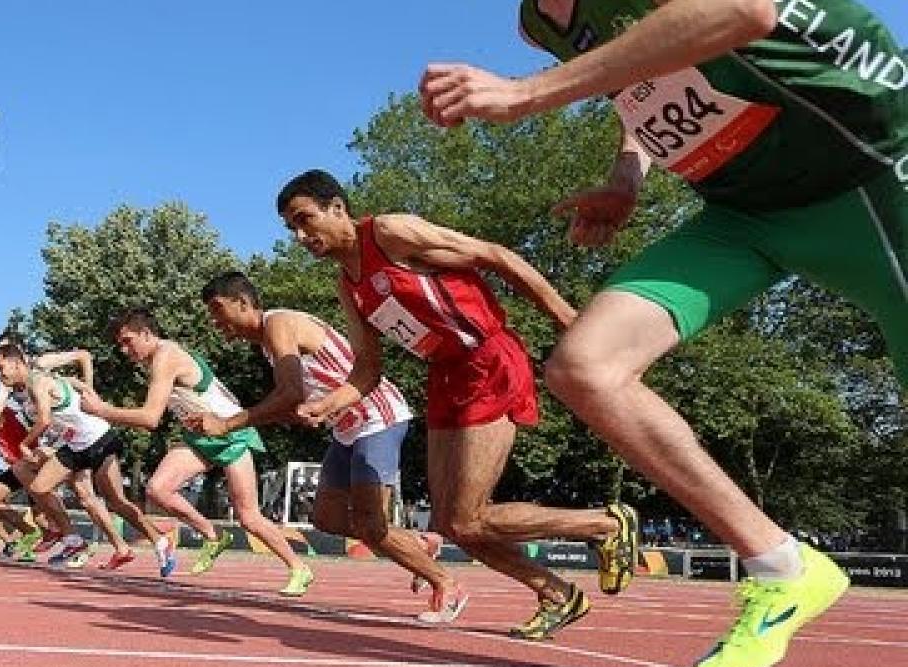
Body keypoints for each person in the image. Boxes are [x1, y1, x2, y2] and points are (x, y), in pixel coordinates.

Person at [416, 1, 903, 667]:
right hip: (744, 213)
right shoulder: (541, 22)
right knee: (585, 366)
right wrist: (626, 179)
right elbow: (639, 83)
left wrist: (526, 94)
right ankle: (783, 567)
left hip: (872, 173)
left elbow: (743, 10)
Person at [275, 169, 637, 636]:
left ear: (337, 208)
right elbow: (366, 369)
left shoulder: (389, 232)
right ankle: (557, 594)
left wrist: (571, 320)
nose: (302, 236)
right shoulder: (349, 286)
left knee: (468, 517)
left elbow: (498, 256)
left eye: (305, 220)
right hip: (445, 378)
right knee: (451, 523)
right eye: (292, 229)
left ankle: (604, 526)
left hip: (487, 360)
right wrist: (330, 404)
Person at [194, 271, 461, 621]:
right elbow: (293, 404)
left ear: (243, 303)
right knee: (327, 518)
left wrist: (227, 424)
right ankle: (417, 543)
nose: (216, 321)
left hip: (377, 417)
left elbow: (289, 394)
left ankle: (447, 585)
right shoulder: (269, 344)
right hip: (346, 429)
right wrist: (302, 414)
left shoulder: (278, 324)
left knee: (370, 525)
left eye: (218, 309)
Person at [75, 308, 315, 597]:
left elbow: (151, 418)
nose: (125, 350)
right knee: (158, 489)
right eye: (121, 345)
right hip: (199, 438)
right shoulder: (154, 361)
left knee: (249, 517)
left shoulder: (167, 355)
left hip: (230, 435)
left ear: (147, 333)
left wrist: (102, 411)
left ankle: (298, 567)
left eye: (128, 341)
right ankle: (214, 536)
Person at [0, 343, 176, 574]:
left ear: (17, 362)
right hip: (74, 446)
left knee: (116, 502)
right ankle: (72, 541)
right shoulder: (26, 388)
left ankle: (160, 541)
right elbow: (64, 396)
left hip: (98, 439)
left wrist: (25, 444)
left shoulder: (38, 380)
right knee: (38, 486)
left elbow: (45, 419)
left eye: (0, 368)